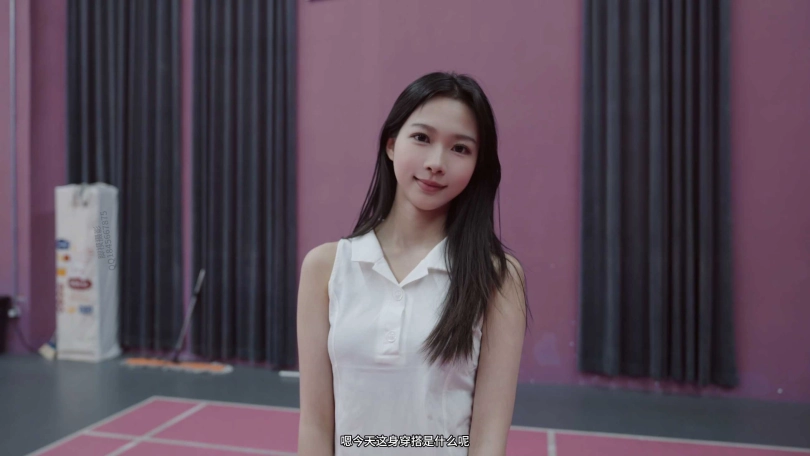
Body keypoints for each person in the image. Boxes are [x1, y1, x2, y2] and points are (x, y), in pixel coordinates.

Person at [297, 71, 530, 455]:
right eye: (422, 138)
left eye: (460, 148)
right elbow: (315, 424)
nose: (436, 162)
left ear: (477, 165)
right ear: (391, 145)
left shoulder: (497, 277)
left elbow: (489, 438)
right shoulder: (325, 267)